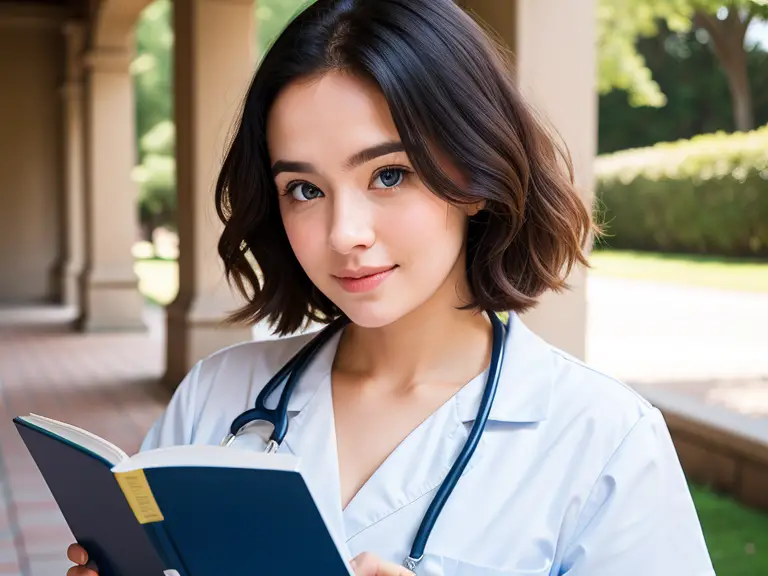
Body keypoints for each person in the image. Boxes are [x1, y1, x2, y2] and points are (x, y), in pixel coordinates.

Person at [67, 0, 716, 574]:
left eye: (389, 174)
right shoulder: (215, 397)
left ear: (477, 172)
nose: (344, 232)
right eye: (304, 189)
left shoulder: (603, 439)